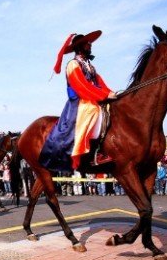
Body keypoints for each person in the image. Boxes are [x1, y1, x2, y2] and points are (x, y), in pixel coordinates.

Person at [39, 30, 117, 171]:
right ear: (79, 47)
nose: (90, 45)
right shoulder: (72, 64)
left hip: (93, 96)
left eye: (89, 43)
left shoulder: (89, 66)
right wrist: (103, 96)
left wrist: (111, 93)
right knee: (93, 112)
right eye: (87, 43)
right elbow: (82, 86)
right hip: (81, 99)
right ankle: (96, 152)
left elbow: (100, 84)